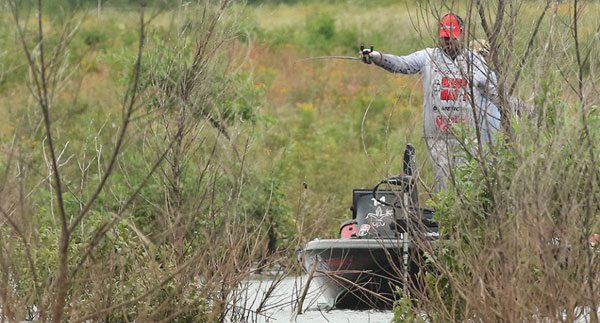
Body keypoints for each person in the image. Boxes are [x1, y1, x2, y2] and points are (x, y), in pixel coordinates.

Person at [360, 13, 500, 191]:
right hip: (437, 137)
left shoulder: (475, 62)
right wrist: (377, 57)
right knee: (445, 188)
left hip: (467, 137)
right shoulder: (427, 57)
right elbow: (402, 64)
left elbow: (495, 95)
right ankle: (447, 219)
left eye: (451, 37)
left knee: (467, 187)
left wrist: (516, 110)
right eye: (443, 37)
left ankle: (466, 219)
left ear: (462, 33)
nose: (447, 41)